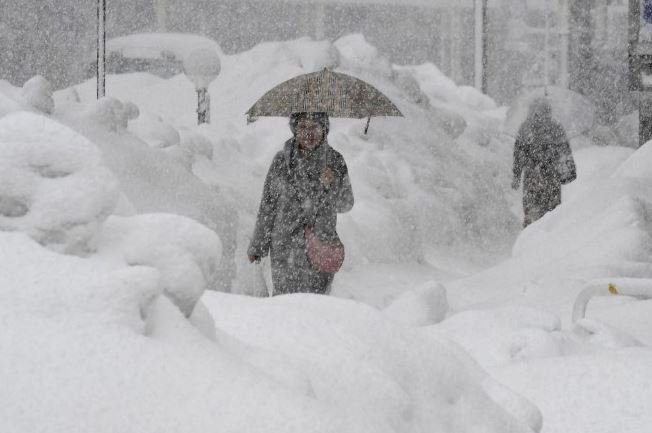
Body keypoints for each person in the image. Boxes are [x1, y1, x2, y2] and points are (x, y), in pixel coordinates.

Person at [247, 112, 354, 295]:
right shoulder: (281, 161)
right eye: (303, 127)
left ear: (324, 129)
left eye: (314, 127)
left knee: (316, 308)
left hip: (320, 246)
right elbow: (268, 205)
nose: (308, 133)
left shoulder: (335, 161)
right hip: (285, 248)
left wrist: (333, 185)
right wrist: (258, 246)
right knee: (286, 306)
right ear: (294, 129)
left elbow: (346, 204)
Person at [512, 98, 576, 227]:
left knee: (531, 211)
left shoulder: (525, 128)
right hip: (551, 178)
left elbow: (518, 155)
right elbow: (564, 152)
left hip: (532, 177)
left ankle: (530, 236)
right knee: (552, 212)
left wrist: (517, 175)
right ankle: (549, 238)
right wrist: (568, 172)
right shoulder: (556, 127)